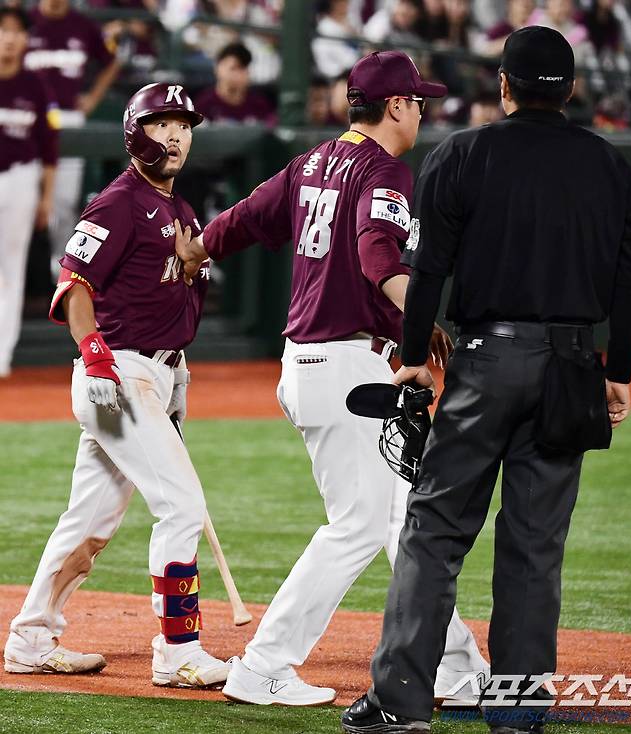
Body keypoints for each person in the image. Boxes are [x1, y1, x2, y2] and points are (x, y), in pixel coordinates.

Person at [342, 28, 631, 734]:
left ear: (503, 86)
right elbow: (630, 283)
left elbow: (429, 272)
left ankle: (401, 703)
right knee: (535, 550)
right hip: (573, 367)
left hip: (485, 362)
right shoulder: (612, 168)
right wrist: (619, 372)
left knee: (434, 532)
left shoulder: (463, 152)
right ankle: (517, 714)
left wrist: (415, 353)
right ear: (570, 91)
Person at [176, 50, 490, 707]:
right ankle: (263, 664)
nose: (423, 112)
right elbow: (379, 255)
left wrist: (195, 248)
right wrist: (429, 314)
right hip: (347, 366)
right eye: (418, 101)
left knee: (403, 523)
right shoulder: (384, 170)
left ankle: (455, 665)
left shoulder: (310, 162)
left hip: (315, 364)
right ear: (397, 106)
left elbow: (241, 221)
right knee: (358, 524)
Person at [4, 83, 229, 690]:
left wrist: (176, 375)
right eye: (163, 123)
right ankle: (178, 650)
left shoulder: (182, 212)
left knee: (89, 522)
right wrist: (96, 357)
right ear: (136, 132)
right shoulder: (118, 202)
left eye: (184, 124)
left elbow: (174, 301)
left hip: (153, 373)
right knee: (181, 506)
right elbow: (75, 287)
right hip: (116, 372)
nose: (176, 134)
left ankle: (29, 639)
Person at [24, 0, 121, 282]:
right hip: (26, 118)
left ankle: (60, 272)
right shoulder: (23, 22)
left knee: (64, 200)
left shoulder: (84, 26)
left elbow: (113, 61)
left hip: (67, 117)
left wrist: (92, 97)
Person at [0, 7, 58, 378]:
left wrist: (46, 197)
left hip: (22, 176)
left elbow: (49, 148)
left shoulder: (36, 85)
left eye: (15, 32)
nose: (8, 38)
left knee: (10, 269)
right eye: (2, 30)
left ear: (26, 40)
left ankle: (1, 354)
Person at [194, 42, 276, 127]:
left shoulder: (260, 105)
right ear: (217, 68)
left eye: (243, 68)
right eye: (233, 68)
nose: (238, 74)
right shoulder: (203, 104)